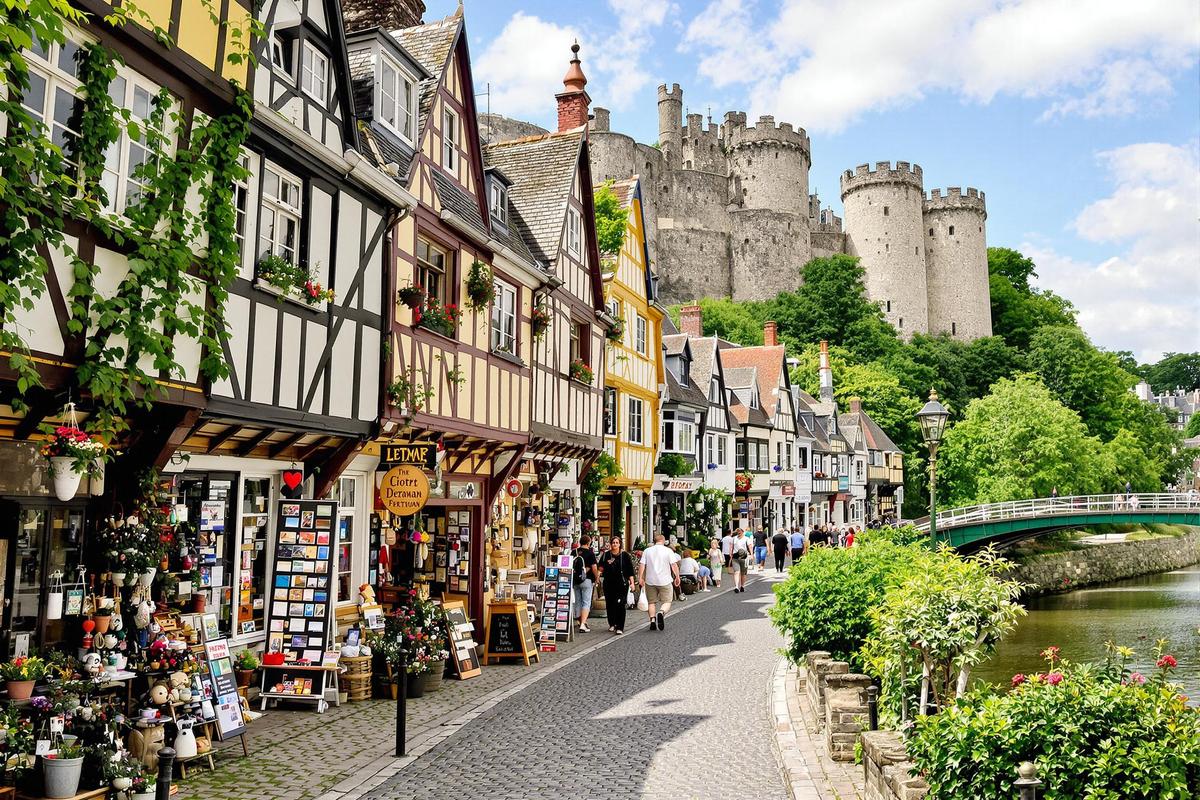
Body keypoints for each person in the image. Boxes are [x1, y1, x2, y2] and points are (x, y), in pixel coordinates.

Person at [638, 534, 679, 631]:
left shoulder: (647, 551)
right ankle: (661, 612)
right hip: (665, 580)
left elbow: (642, 565)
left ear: (654, 541)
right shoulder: (668, 551)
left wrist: (640, 578)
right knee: (667, 601)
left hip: (650, 581)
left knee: (651, 602)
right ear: (663, 541)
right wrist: (677, 576)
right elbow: (674, 565)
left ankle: (652, 620)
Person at [597, 536, 635, 635]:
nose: (614, 544)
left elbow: (630, 570)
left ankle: (620, 627)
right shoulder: (606, 555)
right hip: (609, 583)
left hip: (622, 583)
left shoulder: (625, 555)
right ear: (610, 544)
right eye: (613, 542)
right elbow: (600, 568)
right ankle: (612, 624)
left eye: (616, 542)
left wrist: (632, 583)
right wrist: (597, 577)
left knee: (620, 604)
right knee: (610, 604)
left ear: (620, 544)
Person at [571, 534, 599, 633]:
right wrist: (597, 578)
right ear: (588, 543)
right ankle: (583, 624)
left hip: (575, 580)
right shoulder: (590, 553)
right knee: (586, 602)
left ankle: (580, 621)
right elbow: (594, 568)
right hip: (587, 580)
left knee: (578, 601)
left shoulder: (574, 552)